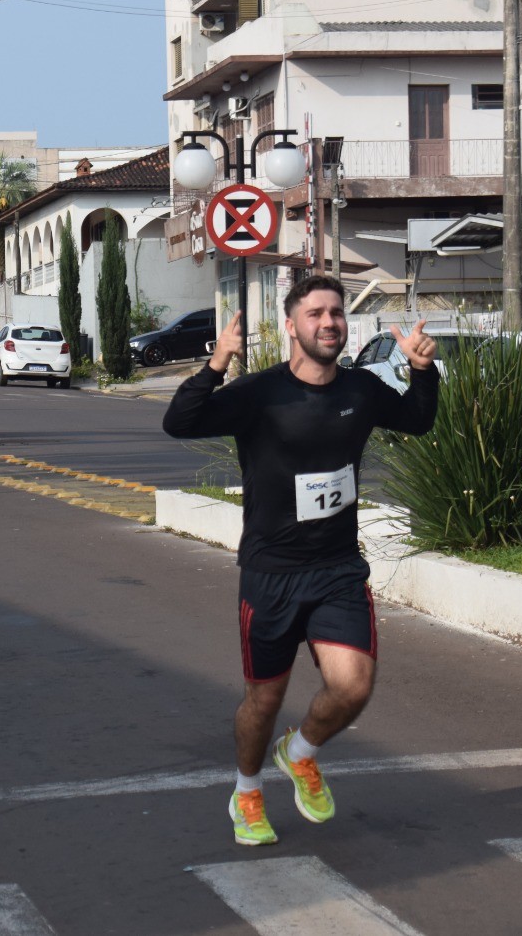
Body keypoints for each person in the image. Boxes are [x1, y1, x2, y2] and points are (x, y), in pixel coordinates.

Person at [162, 275, 439, 847]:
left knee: (353, 687)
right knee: (264, 699)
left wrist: (421, 370)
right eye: (315, 314)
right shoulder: (260, 394)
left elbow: (417, 419)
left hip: (338, 569)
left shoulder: (360, 390)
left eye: (336, 313)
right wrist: (215, 367)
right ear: (292, 326)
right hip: (271, 574)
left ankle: (302, 752)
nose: (329, 322)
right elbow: (180, 422)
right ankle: (246, 791)